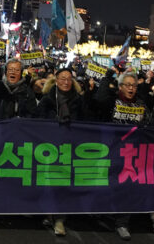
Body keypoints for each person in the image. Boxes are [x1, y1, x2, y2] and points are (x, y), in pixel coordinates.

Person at [96, 73, 154, 239]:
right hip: (111, 151)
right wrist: (107, 78)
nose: (131, 88)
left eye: (134, 85)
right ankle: (104, 214)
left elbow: (149, 122)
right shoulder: (111, 101)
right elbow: (99, 101)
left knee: (127, 188)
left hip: (132, 153)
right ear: (120, 87)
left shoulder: (141, 103)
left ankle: (122, 223)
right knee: (109, 186)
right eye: (127, 85)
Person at [36, 68, 89, 236]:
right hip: (50, 148)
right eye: (62, 79)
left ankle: (59, 219)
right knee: (49, 182)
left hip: (70, 148)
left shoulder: (79, 100)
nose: (66, 82)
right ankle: (48, 213)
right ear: (56, 81)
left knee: (63, 183)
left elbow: (87, 121)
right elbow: (38, 121)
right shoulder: (47, 99)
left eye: (69, 79)